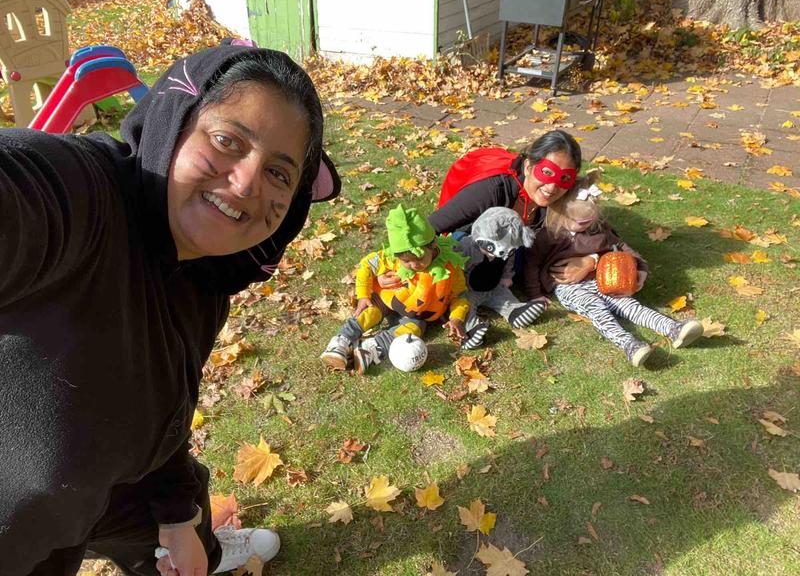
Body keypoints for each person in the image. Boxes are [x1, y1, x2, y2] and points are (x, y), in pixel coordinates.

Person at [0, 40, 341, 576]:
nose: (249, 181)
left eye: (279, 172)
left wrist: (180, 521)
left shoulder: (206, 284)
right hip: (18, 537)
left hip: (102, 496)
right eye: (228, 140)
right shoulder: (78, 197)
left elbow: (165, 413)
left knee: (189, 531)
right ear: (175, 121)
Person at [378, 131, 595, 293]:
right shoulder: (491, 190)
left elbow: (607, 239)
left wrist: (589, 261)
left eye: (564, 178)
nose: (551, 188)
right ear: (528, 167)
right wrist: (389, 266)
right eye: (546, 173)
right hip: (470, 247)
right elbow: (428, 228)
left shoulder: (566, 197)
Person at [524, 178, 704, 367]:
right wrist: (536, 295)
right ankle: (629, 344)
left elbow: (622, 248)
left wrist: (640, 269)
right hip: (565, 286)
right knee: (595, 309)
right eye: (578, 223)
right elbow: (531, 265)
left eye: (588, 222)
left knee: (629, 305)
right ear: (559, 214)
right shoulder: (546, 237)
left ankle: (673, 328)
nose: (584, 227)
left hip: (601, 278)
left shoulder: (598, 229)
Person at [320, 204, 475, 374]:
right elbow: (366, 265)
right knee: (370, 312)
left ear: (433, 244)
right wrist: (363, 295)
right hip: (388, 298)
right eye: (406, 262)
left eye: (419, 258)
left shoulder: (450, 266)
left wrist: (456, 319)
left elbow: (460, 295)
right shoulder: (390, 257)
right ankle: (342, 340)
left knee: (414, 330)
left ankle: (372, 348)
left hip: (417, 314)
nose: (414, 265)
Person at [454, 207, 543, 349]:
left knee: (505, 296)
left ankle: (515, 312)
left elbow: (509, 262)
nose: (496, 255)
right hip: (467, 289)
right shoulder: (466, 246)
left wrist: (507, 277)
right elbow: (454, 264)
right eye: (491, 248)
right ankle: (471, 331)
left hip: (494, 286)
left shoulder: (507, 253)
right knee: (464, 307)